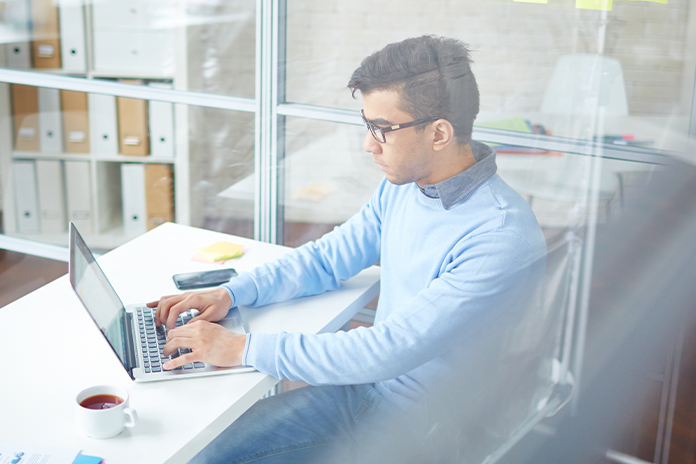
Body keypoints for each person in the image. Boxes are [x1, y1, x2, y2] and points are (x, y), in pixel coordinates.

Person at [149, 35, 547, 463]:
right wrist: (231, 293)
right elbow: (326, 258)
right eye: (367, 125)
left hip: (425, 430)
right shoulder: (407, 186)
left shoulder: (499, 237)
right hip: (367, 391)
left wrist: (240, 349)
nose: (368, 144)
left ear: (439, 133)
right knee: (203, 452)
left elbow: (386, 349)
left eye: (382, 130)